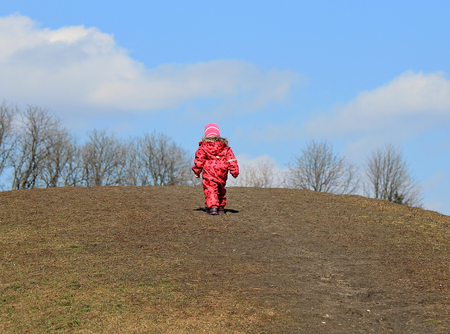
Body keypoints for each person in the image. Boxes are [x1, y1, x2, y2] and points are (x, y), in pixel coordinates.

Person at [192, 123, 239, 215]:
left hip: (209, 170)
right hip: (222, 171)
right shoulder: (225, 147)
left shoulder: (204, 146)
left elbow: (199, 159)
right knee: (220, 188)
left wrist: (197, 171)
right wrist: (234, 171)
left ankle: (213, 207)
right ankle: (221, 207)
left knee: (211, 189)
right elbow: (231, 159)